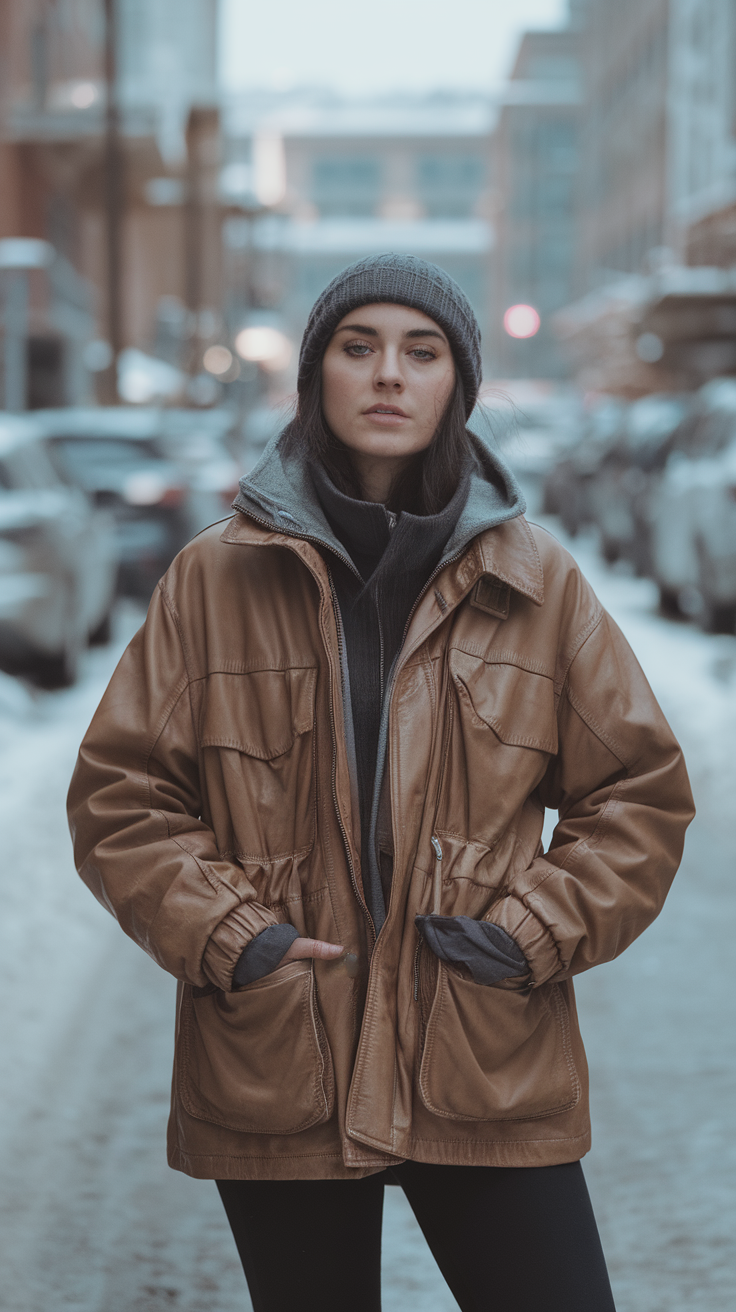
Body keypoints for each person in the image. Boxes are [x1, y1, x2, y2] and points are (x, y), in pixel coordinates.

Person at [68, 254, 694, 1312]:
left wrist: (529, 932)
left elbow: (636, 792)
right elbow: (123, 797)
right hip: (282, 1051)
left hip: (483, 1047)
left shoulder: (534, 581)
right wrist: (236, 939)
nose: (388, 376)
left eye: (422, 350)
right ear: (317, 377)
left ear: (460, 383)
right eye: (357, 349)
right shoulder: (216, 576)